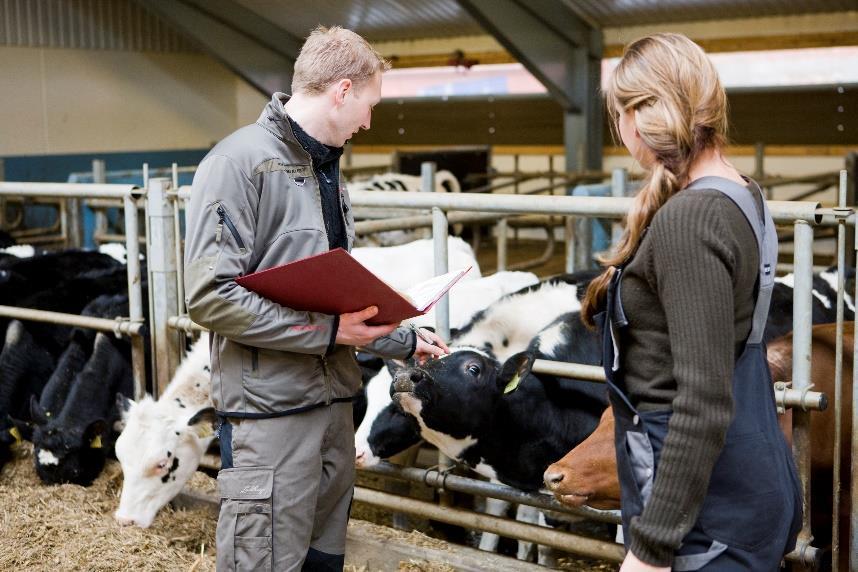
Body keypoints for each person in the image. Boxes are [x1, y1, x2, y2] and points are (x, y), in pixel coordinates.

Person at [183, 26, 448, 572]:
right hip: (271, 414)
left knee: (323, 559)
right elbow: (210, 296)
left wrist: (402, 338)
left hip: (332, 407)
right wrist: (329, 333)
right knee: (265, 558)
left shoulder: (323, 169)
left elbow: (329, 291)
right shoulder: (239, 164)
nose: (369, 122)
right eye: (370, 105)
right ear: (342, 91)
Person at [580, 33, 802, 571]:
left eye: (618, 113)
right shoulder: (742, 193)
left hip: (702, 508)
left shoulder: (690, 219)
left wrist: (651, 548)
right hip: (732, 480)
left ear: (636, 115)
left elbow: (701, 401)